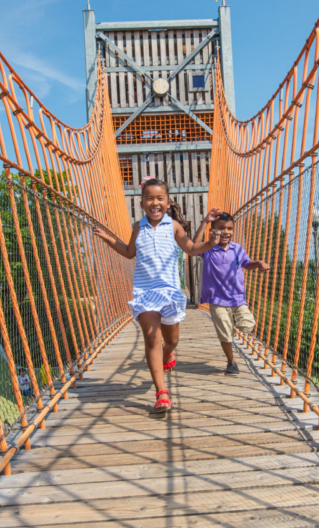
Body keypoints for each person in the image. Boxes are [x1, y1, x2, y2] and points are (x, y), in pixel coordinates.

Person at [94, 177, 218, 413]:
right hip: (145, 292)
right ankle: (161, 392)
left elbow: (191, 249)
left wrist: (211, 243)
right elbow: (130, 253)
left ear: (168, 202)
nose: (155, 202)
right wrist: (108, 238)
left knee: (171, 340)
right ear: (142, 203)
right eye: (149, 198)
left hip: (170, 292)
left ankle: (169, 353)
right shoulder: (138, 227)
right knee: (152, 338)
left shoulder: (174, 226)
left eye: (160, 198)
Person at [193, 210, 270, 375]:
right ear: (212, 230)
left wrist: (258, 263)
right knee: (226, 335)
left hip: (237, 298)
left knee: (247, 325)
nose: (226, 232)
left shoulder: (237, 249)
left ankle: (231, 325)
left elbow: (247, 264)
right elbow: (193, 245)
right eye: (221, 228)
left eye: (229, 228)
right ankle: (231, 361)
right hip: (217, 299)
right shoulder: (208, 248)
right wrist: (205, 221)